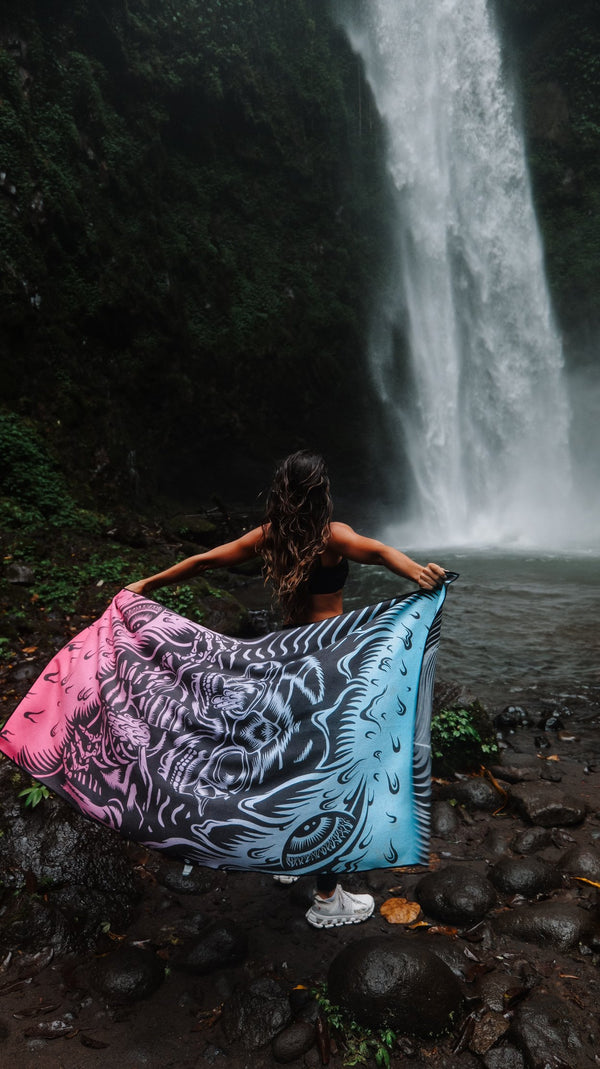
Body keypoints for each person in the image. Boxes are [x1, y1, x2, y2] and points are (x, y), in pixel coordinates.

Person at [126, 450, 446, 928]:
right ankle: (326, 897)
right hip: (335, 662)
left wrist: (146, 584)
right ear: (321, 492)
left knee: (286, 760)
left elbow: (204, 561)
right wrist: (417, 573)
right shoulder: (331, 536)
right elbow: (379, 552)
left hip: (290, 658)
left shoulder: (269, 537)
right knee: (332, 773)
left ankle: (282, 853)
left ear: (282, 491)